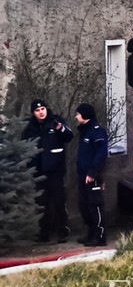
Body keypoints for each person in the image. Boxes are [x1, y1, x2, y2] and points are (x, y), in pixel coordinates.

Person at [21, 99, 74, 243]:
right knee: (41, 203)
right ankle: (43, 233)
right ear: (34, 113)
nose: (41, 112)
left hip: (56, 170)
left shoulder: (55, 121)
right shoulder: (30, 127)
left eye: (43, 109)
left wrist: (60, 128)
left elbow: (69, 136)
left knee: (59, 201)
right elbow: (24, 146)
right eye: (37, 110)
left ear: (46, 109)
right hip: (39, 172)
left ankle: (62, 232)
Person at [74, 103, 109, 246]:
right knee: (84, 206)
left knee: (95, 205)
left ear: (85, 115)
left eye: (78, 114)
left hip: (92, 175)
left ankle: (100, 236)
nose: (76, 116)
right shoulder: (85, 132)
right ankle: (90, 233)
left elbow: (101, 153)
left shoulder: (97, 131)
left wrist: (93, 172)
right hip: (83, 175)